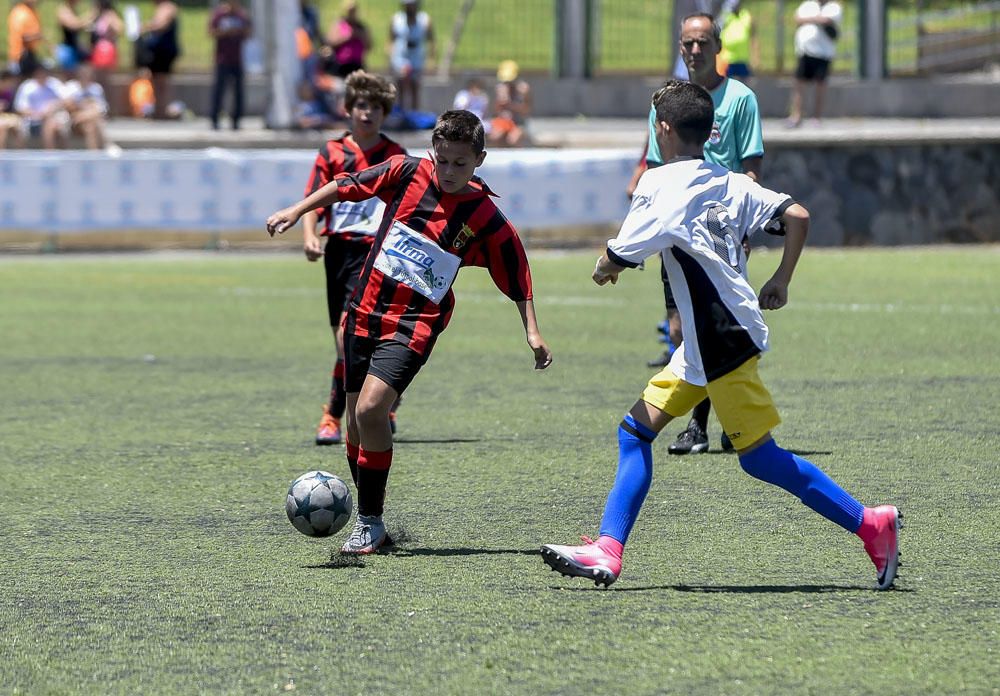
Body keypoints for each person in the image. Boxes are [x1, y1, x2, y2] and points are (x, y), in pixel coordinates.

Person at [540, 79, 902, 592]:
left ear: (662, 129)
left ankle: (870, 524)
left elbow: (621, 252)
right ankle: (608, 547)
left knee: (761, 458)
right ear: (710, 132)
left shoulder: (659, 183)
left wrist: (605, 266)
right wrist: (780, 280)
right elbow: (797, 216)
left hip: (719, 336)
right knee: (635, 431)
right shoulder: (732, 181)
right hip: (718, 335)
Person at [266, 109, 553, 555]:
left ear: (479, 158)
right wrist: (296, 210)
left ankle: (369, 521)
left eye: (461, 162)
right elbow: (347, 184)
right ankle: (369, 515)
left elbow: (515, 267)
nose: (450, 171)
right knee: (356, 426)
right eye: (443, 160)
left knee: (371, 410)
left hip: (414, 324)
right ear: (431, 153)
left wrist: (531, 330)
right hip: (364, 311)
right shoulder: (405, 172)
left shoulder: (483, 214)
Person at [631, 13, 765, 455]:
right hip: (678, 232)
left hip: (719, 230)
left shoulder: (740, 99)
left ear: (718, 46)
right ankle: (726, 419)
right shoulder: (668, 102)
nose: (694, 51)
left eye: (702, 43)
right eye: (687, 43)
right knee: (679, 326)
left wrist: (744, 223)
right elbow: (656, 167)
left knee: (720, 321)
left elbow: (750, 166)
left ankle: (702, 425)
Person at [298, 70, 406, 445]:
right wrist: (310, 235)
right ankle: (378, 404)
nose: (367, 113)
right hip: (340, 252)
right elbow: (315, 196)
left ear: (384, 113)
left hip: (379, 254)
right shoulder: (332, 152)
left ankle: (335, 416)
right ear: (348, 109)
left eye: (376, 107)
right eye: (361, 105)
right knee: (346, 342)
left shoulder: (395, 156)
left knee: (353, 340)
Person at [788, 0, 842, 127]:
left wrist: (810, 19)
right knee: (799, 84)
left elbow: (827, 21)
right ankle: (796, 116)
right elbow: (798, 18)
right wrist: (817, 19)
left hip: (823, 54)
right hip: (805, 51)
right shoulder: (808, 5)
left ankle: (817, 117)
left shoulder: (834, 7)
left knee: (820, 86)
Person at [208, 0, 252, 131]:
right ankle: (214, 119)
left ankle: (236, 120)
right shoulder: (219, 15)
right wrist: (226, 32)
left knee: (238, 92)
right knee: (219, 91)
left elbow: (249, 32)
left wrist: (238, 31)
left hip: (237, 60)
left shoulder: (242, 16)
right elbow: (211, 32)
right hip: (222, 59)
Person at [388, 0, 435, 113]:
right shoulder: (396, 19)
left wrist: (431, 59)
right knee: (400, 85)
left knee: (415, 86)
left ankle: (414, 115)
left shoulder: (424, 20)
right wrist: (390, 57)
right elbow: (390, 39)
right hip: (400, 57)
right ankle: (401, 113)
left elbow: (431, 40)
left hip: (417, 57)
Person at [138, 0, 179, 119]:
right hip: (158, 51)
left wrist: (146, 26)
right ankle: (158, 108)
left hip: (164, 50)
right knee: (155, 81)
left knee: (162, 81)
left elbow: (162, 25)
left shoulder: (167, 7)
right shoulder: (161, 8)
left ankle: (163, 110)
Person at [13, 62, 70, 149]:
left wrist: (54, 105)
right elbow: (20, 108)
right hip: (32, 119)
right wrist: (37, 113)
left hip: (55, 117)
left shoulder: (55, 83)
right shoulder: (26, 86)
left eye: (45, 71)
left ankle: (55, 156)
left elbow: (67, 100)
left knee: (53, 125)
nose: (42, 74)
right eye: (40, 72)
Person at [62, 62, 108, 148]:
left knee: (91, 126)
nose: (85, 77)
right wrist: (83, 105)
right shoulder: (70, 86)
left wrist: (83, 115)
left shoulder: (96, 88)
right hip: (73, 121)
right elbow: (67, 104)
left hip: (88, 119)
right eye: (82, 74)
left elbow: (100, 109)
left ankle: (94, 155)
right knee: (95, 123)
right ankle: (107, 145)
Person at [489, 59, 531, 147]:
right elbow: (495, 111)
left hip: (518, 123)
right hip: (504, 121)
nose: (507, 83)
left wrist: (510, 105)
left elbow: (526, 110)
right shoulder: (500, 89)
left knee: (513, 139)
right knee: (495, 137)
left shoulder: (523, 90)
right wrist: (500, 101)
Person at [90, 0, 123, 110]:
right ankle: (102, 105)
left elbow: (119, 28)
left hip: (107, 49)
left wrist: (110, 24)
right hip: (99, 49)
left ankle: (109, 107)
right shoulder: (98, 14)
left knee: (106, 81)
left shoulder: (110, 14)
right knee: (99, 80)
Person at [326, 0, 370, 78]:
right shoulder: (339, 25)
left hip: (357, 65)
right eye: (349, 11)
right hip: (341, 65)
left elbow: (369, 45)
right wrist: (347, 38)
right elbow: (330, 42)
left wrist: (360, 35)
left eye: (353, 11)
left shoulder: (361, 27)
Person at [718, 0, 757, 82]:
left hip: (743, 60)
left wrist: (755, 56)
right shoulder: (725, 17)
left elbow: (753, 36)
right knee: (728, 85)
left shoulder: (746, 15)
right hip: (728, 60)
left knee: (744, 86)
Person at [54, 0, 95, 71]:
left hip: (75, 48)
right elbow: (73, 25)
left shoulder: (73, 10)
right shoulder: (63, 11)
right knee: (68, 75)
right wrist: (89, 17)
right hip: (67, 50)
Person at [7, 0, 45, 76]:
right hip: (21, 55)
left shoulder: (31, 11)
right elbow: (23, 36)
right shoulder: (21, 12)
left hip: (30, 53)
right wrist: (37, 36)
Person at [0, 70, 26, 148]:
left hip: (9, 117)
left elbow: (15, 109)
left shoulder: (11, 93)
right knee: (2, 128)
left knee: (18, 127)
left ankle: (21, 153)